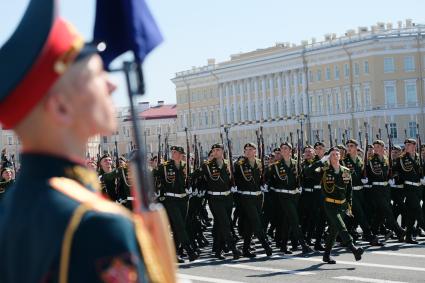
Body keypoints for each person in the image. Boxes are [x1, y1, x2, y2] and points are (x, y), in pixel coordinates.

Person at [0, 1, 159, 281]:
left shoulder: (11, 207)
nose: (112, 85)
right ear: (61, 108)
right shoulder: (98, 224)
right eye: (97, 75)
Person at [306, 147, 364, 264]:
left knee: (334, 231)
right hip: (330, 204)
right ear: (329, 157)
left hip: (342, 205)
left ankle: (326, 255)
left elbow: (349, 191)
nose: (335, 156)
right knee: (341, 226)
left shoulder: (346, 171)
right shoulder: (324, 171)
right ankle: (353, 249)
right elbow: (307, 172)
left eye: (337, 154)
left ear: (340, 156)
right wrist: (321, 161)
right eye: (332, 155)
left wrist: (349, 207)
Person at [156, 145, 199, 262]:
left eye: (176, 152)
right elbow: (154, 177)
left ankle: (174, 254)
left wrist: (193, 187)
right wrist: (158, 191)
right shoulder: (164, 166)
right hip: (171, 200)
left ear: (181, 155)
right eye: (172, 152)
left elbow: (193, 178)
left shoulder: (186, 166)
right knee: (180, 225)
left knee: (177, 228)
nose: (173, 154)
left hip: (183, 200)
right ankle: (189, 251)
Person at [201, 143, 241, 260]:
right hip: (215, 199)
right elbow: (196, 176)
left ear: (223, 151)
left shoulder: (228, 164)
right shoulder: (207, 165)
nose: (216, 152)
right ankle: (233, 249)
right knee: (225, 224)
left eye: (218, 150)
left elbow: (234, 178)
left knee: (220, 225)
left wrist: (234, 186)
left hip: (227, 198)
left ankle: (218, 251)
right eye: (214, 150)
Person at [233, 142, 272, 258]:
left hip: (258, 197)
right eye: (246, 149)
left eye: (251, 149)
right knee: (256, 222)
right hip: (246, 197)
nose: (248, 151)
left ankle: (245, 249)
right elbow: (235, 178)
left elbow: (264, 177)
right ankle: (266, 246)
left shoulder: (260, 163)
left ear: (255, 151)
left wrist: (265, 183)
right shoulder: (239, 164)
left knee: (250, 224)